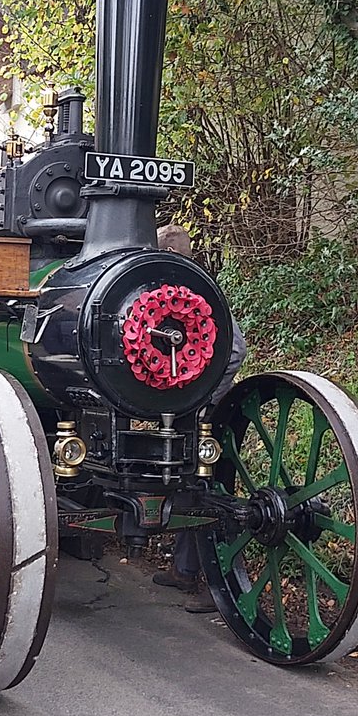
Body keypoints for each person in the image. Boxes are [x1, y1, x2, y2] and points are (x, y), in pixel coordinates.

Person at [151, 224, 247, 614]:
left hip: (202, 411)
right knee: (190, 485)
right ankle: (185, 569)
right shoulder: (166, 293)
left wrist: (203, 399)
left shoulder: (200, 295)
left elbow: (235, 349)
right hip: (183, 407)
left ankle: (220, 582)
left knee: (209, 491)